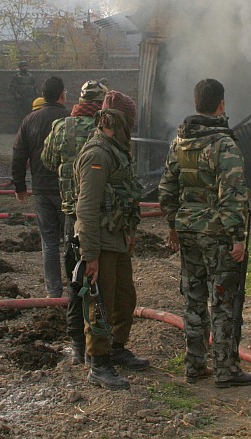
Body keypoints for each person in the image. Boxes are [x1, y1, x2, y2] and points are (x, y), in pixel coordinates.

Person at [158, 79, 251, 388]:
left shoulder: (180, 142)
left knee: (194, 298)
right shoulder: (223, 144)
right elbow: (233, 196)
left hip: (188, 231)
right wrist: (238, 238)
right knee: (224, 300)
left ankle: (194, 365)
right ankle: (226, 370)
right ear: (221, 104)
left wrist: (174, 226)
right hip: (217, 235)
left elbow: (167, 189)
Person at [74, 90, 149, 390]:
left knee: (124, 298)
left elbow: (122, 197)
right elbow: (87, 208)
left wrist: (128, 233)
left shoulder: (115, 151)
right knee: (100, 304)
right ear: (118, 121)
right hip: (101, 244)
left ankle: (116, 349)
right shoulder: (97, 154)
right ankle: (99, 364)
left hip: (117, 239)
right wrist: (89, 255)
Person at [41, 80, 108, 364]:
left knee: (75, 280)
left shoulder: (61, 127)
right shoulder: (102, 129)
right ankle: (100, 343)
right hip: (97, 215)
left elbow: (46, 160)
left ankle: (78, 344)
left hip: (71, 214)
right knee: (99, 282)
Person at [11, 76, 68, 298]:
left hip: (42, 190)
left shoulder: (29, 120)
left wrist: (19, 186)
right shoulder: (69, 119)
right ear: (62, 94)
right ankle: (75, 289)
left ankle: (54, 291)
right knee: (72, 241)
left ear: (43, 95)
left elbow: (18, 155)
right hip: (68, 191)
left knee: (50, 242)